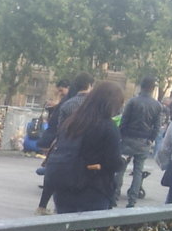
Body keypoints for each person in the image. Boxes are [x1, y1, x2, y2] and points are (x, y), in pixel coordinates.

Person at [46, 80, 124, 214]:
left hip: (64, 187)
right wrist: (122, 162)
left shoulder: (71, 122)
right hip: (93, 190)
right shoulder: (108, 127)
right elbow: (113, 162)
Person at [35, 72, 93, 214]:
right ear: (91, 85)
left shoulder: (67, 104)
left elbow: (60, 128)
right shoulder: (93, 106)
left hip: (64, 145)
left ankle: (43, 206)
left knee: (54, 173)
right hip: (83, 147)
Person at [113, 77, 161, 208]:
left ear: (141, 86)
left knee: (120, 169)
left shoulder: (132, 102)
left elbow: (124, 121)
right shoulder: (157, 105)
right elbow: (157, 126)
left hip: (128, 138)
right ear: (152, 89)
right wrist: (151, 139)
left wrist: (121, 136)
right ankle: (132, 200)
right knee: (138, 171)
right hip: (144, 141)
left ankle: (114, 195)